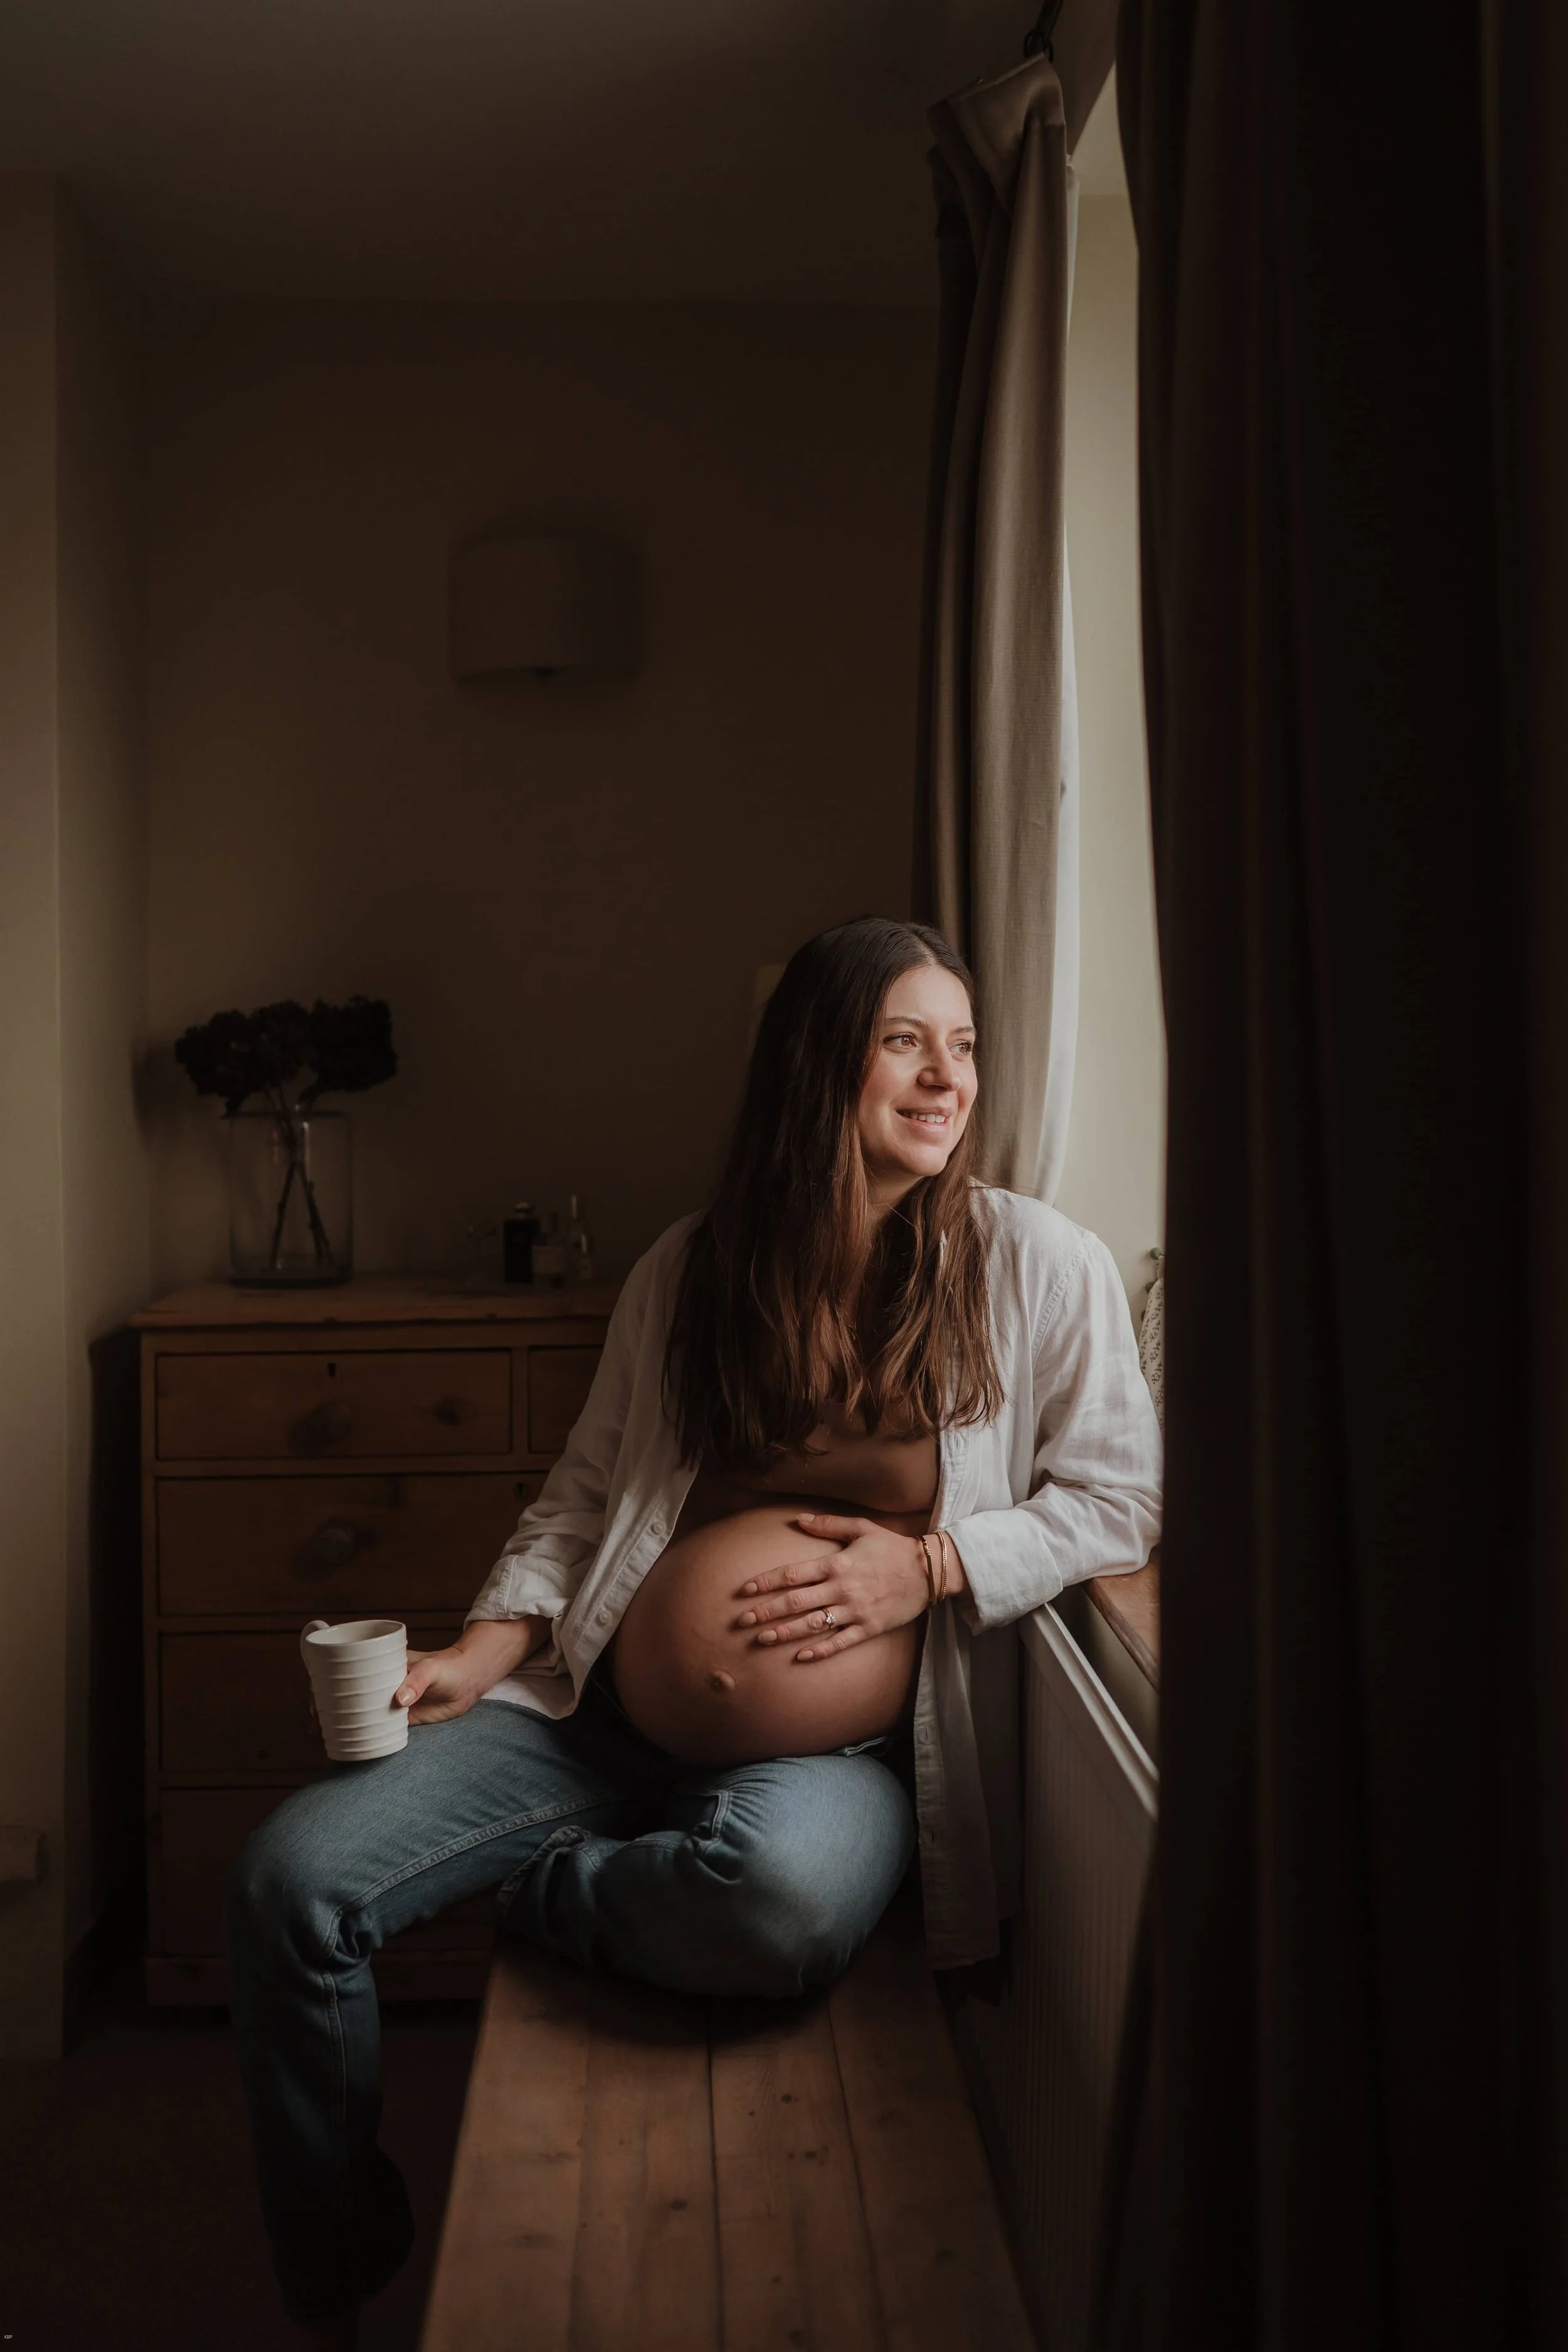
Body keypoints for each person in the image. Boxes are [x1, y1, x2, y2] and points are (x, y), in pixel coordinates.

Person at [226, 916, 1162, 2346]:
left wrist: (935, 1566)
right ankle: (335, 2265)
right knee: (287, 1887)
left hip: (826, 1758)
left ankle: (551, 1892)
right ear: (813, 1066)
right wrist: (483, 1646)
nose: (944, 1079)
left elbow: (1119, 1499)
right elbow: (589, 1491)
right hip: (587, 1716)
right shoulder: (693, 1266)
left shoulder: (1035, 1264)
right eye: (903, 1042)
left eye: (961, 1047)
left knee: (772, 1911)